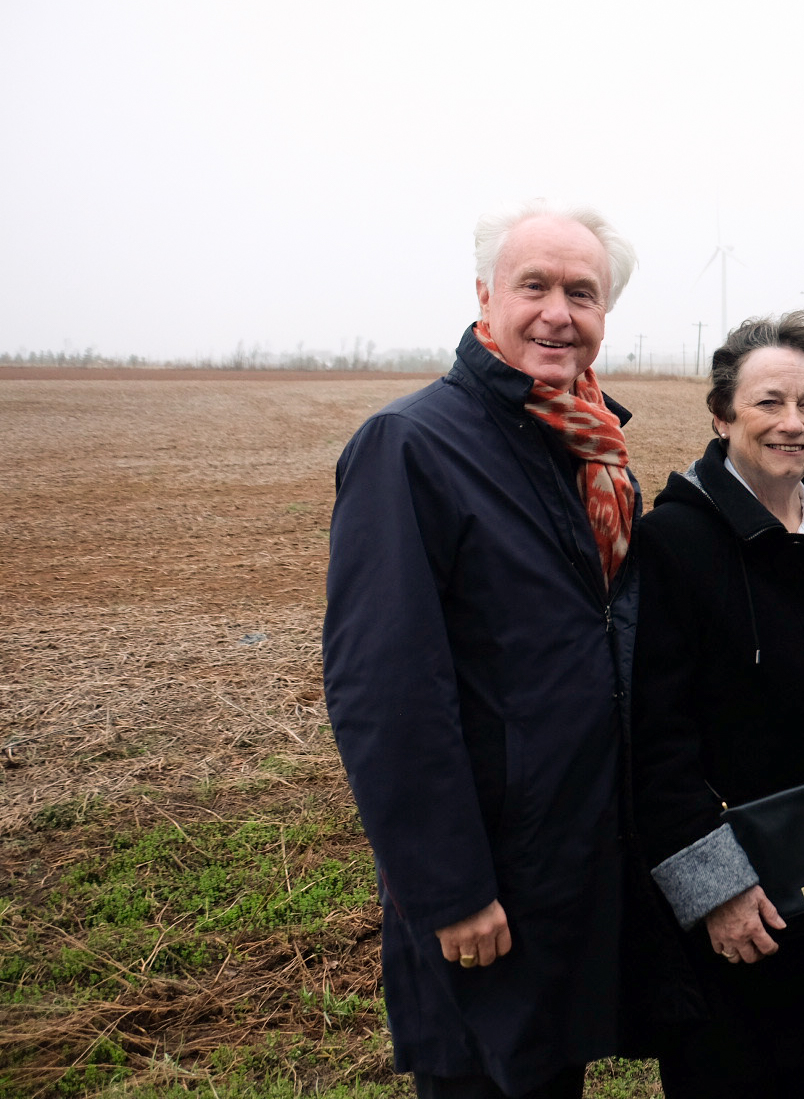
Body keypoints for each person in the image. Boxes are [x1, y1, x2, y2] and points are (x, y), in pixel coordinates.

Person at [322, 200, 641, 1099]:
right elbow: (386, 689)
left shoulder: (594, 451)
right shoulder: (411, 445)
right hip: (487, 879)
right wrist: (450, 889)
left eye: (583, 293)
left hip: (573, 865)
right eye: (534, 285)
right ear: (484, 296)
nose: (558, 313)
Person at [631, 310, 804, 1099]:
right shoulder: (673, 541)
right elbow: (653, 737)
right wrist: (716, 889)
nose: (793, 423)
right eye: (768, 402)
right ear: (722, 415)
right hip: (736, 905)